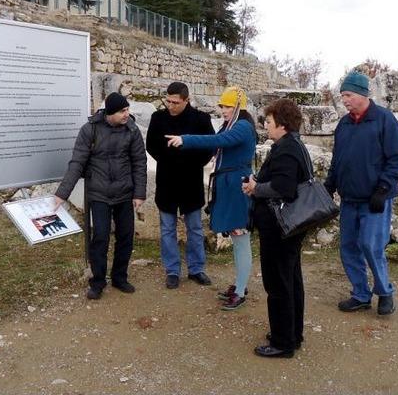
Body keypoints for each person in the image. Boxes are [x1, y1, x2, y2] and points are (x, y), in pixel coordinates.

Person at [324, 70, 398, 316]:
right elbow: (337, 159)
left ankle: (384, 292)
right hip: (349, 198)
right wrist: (330, 185)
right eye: (342, 96)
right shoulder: (344, 123)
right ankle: (360, 294)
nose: (345, 100)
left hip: (375, 199)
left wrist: (383, 188)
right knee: (348, 248)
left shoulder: (384, 119)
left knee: (371, 246)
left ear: (362, 94)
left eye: (348, 95)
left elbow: (397, 159)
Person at [165, 87, 256, 310]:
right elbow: (217, 140)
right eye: (222, 106)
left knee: (240, 238)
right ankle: (239, 284)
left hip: (237, 187)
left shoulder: (242, 127)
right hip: (229, 184)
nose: (223, 110)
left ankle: (241, 289)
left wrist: (185, 139)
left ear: (237, 106)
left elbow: (217, 141)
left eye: (227, 106)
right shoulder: (231, 124)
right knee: (236, 239)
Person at [54, 92, 147, 300]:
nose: (127, 114)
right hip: (99, 194)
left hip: (124, 193)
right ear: (110, 113)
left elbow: (139, 162)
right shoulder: (90, 130)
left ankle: (120, 277)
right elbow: (77, 162)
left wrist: (139, 193)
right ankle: (97, 282)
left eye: (127, 109)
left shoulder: (131, 129)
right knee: (101, 238)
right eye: (123, 111)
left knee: (125, 237)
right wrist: (62, 193)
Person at [241, 98, 309, 358]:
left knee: (279, 283)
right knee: (290, 280)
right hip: (287, 228)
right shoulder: (291, 145)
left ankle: (283, 342)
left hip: (279, 228)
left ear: (281, 124)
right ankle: (292, 333)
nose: (266, 126)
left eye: (269, 122)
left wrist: (254, 188)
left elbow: (284, 188)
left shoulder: (287, 149)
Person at [146, 82, 216, 289]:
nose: (170, 105)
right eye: (168, 101)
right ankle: (172, 270)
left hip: (191, 180)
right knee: (167, 228)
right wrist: (170, 158)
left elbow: (209, 145)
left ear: (186, 100)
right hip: (167, 180)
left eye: (175, 102)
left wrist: (190, 160)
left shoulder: (201, 119)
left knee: (194, 228)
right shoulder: (157, 118)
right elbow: (151, 145)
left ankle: (196, 269)